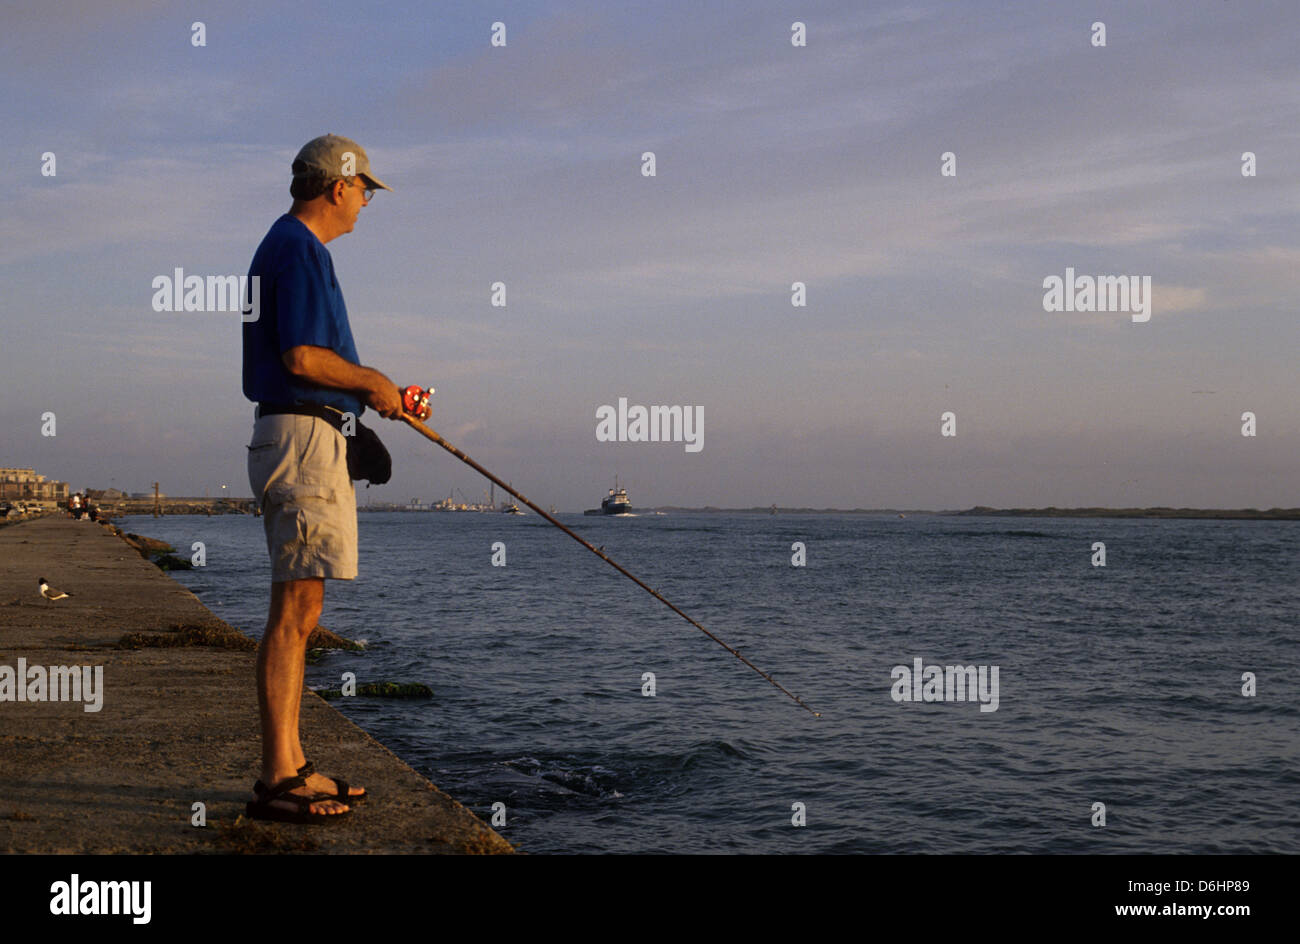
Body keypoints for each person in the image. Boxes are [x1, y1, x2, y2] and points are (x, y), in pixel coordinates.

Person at [241, 134, 403, 823]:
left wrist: (372, 395)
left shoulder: (285, 246)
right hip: (301, 441)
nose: (366, 202)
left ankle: (292, 762)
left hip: (302, 434)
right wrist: (370, 381)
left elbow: (305, 362)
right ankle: (281, 775)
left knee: (302, 610)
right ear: (338, 185)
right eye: (364, 188)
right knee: (295, 613)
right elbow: (304, 357)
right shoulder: (300, 249)